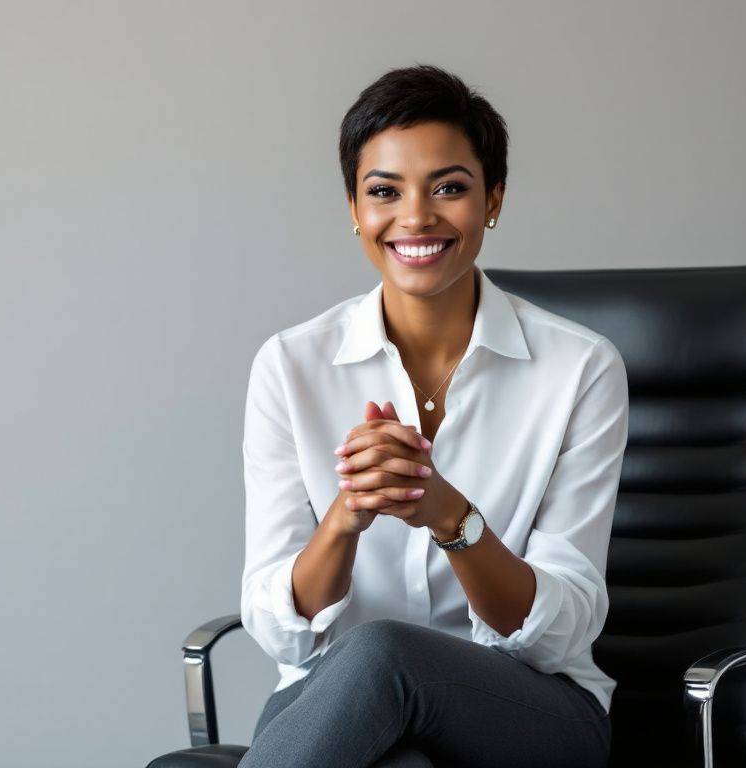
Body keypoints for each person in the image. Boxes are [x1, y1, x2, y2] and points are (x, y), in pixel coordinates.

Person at [237, 64, 627, 767]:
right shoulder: (289, 366)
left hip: (531, 712)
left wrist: (449, 516)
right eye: (384, 191)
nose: (415, 217)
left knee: (385, 651)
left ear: (494, 200)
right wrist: (346, 516)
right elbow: (279, 631)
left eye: (449, 187)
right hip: (335, 707)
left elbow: (561, 629)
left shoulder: (580, 369)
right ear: (354, 207)